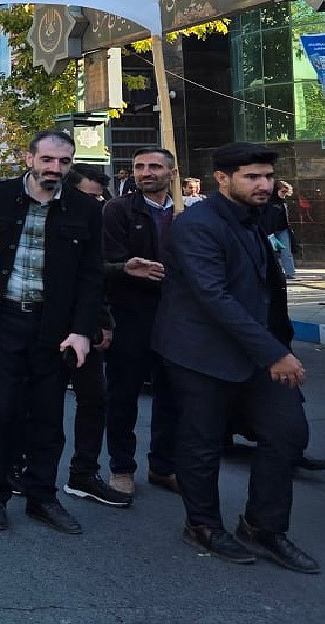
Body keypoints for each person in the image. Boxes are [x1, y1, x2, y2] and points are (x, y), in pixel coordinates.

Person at [153, 142, 318, 573]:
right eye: (252, 177)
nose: (264, 184)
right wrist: (274, 353)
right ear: (222, 179)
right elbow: (214, 297)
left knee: (287, 433)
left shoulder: (255, 216)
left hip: (256, 351)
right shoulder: (198, 225)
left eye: (268, 176)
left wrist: (277, 346)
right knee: (203, 443)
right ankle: (203, 526)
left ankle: (263, 527)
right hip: (200, 352)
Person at [0, 130, 103, 535]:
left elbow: (91, 277)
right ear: (29, 159)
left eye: (64, 162)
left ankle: (42, 496)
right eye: (48, 160)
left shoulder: (85, 209)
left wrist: (82, 331)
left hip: (52, 329)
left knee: (48, 417)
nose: (55, 168)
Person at [101, 147, 181, 500]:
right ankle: (121, 468)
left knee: (172, 394)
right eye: (139, 166)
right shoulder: (117, 210)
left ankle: (163, 465)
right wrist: (125, 269)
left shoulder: (186, 213)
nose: (146, 172)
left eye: (154, 166)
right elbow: (102, 264)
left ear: (172, 173)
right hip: (130, 315)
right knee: (123, 396)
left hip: (176, 318)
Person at [55, 166, 128, 510]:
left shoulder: (95, 223)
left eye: (99, 198)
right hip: (46, 328)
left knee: (94, 400)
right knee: (41, 403)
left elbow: (94, 276)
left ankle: (83, 473)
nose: (95, 204)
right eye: (89, 196)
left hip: (87, 328)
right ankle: (25, 469)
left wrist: (103, 322)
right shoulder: (47, 220)